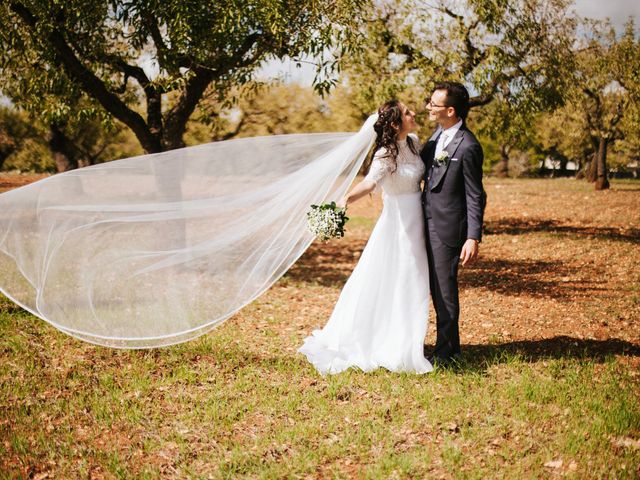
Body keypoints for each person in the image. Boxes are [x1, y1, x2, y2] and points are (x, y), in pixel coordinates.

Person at [298, 100, 433, 375]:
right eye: (407, 112)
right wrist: (344, 200)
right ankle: (390, 343)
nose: (413, 113)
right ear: (395, 123)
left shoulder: (414, 142)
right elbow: (371, 182)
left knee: (415, 279)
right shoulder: (386, 153)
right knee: (398, 277)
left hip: (418, 216)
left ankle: (408, 339)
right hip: (398, 223)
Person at [421, 82, 486, 366]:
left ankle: (448, 352)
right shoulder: (437, 135)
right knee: (425, 285)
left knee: (444, 289)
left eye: (434, 104)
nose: (428, 107)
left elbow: (476, 194)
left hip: (447, 228)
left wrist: (473, 237)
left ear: (450, 110)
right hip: (420, 221)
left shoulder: (469, 146)